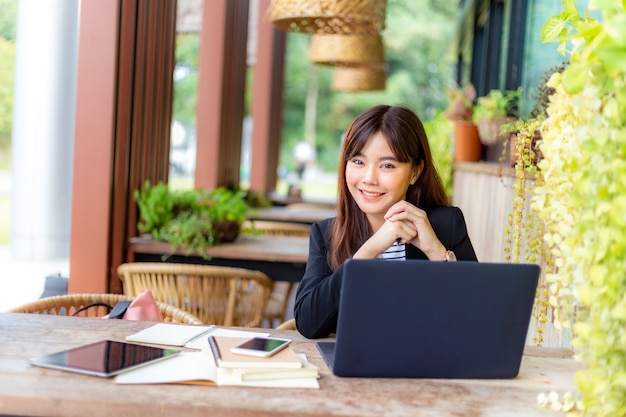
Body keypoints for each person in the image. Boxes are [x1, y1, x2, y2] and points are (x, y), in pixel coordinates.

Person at [294, 105, 478, 339]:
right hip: (353, 370)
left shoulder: (445, 225)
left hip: (429, 368)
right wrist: (370, 249)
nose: (369, 178)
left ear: (415, 172)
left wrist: (435, 251)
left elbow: (476, 320)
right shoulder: (326, 234)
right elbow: (308, 323)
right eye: (358, 162)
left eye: (387, 165)